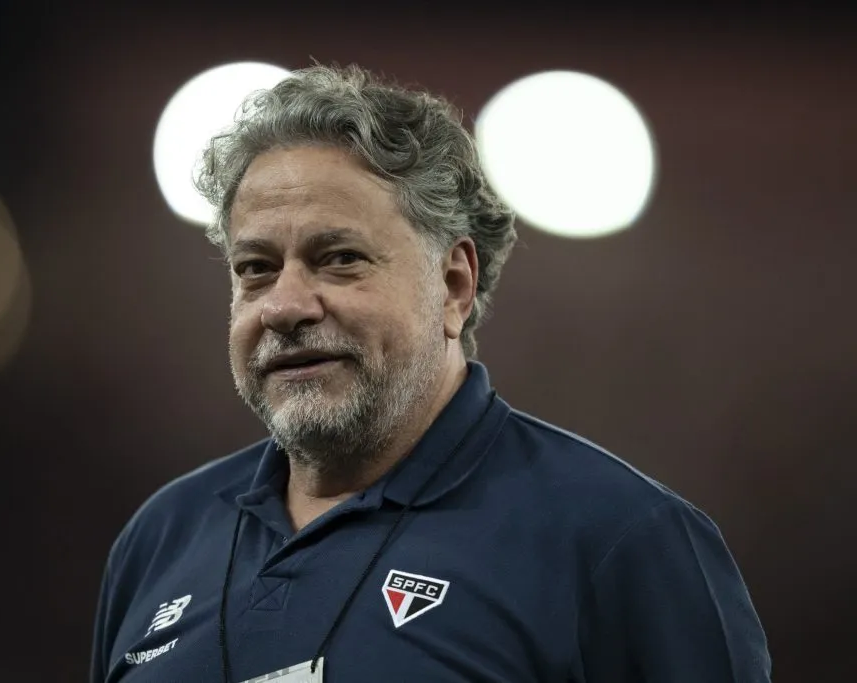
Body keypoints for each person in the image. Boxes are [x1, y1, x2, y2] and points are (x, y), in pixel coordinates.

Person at [90, 63, 771, 683]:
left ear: (453, 285)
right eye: (256, 269)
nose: (287, 306)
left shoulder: (621, 538)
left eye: (339, 257)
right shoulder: (161, 537)